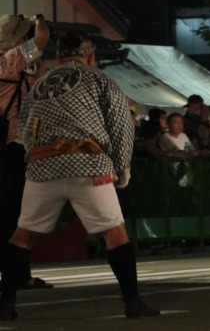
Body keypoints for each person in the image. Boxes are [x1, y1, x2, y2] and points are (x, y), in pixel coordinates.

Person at [0, 32, 158, 319]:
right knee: (114, 233)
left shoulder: (39, 86)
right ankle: (132, 303)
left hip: (42, 166)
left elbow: (26, 127)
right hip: (88, 165)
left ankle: (6, 303)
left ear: (59, 57)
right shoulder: (100, 80)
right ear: (90, 56)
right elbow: (122, 125)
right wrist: (123, 167)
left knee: (23, 236)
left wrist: (32, 159)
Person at [0, 14, 50, 293]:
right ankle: (16, 275)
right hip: (13, 146)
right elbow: (42, 38)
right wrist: (39, 19)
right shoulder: (15, 57)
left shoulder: (13, 64)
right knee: (17, 215)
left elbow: (36, 79)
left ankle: (18, 273)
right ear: (19, 38)